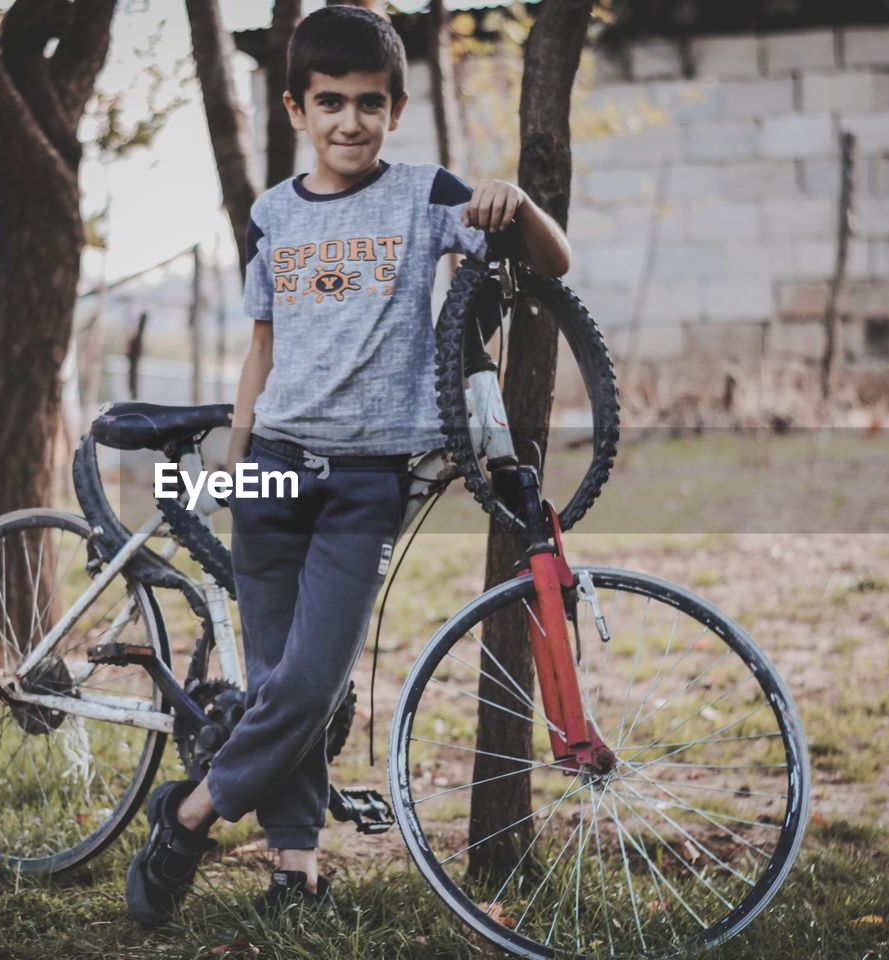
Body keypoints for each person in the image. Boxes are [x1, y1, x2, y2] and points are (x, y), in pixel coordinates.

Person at [126, 4, 571, 928]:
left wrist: (515, 203)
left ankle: (193, 811)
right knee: (276, 676)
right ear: (295, 107)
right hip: (273, 467)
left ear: (397, 109)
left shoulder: (425, 196)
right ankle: (296, 873)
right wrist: (239, 465)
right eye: (330, 102)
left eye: (370, 103)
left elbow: (555, 264)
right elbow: (261, 350)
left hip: (366, 478)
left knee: (311, 680)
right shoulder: (272, 216)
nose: (350, 121)